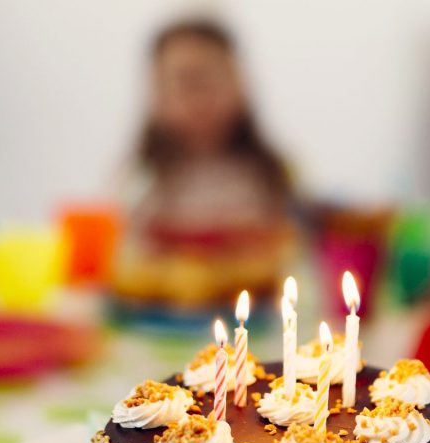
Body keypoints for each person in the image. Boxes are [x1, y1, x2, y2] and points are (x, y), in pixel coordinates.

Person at [110, 17, 296, 310]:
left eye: (209, 81)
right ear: (157, 93)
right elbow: (120, 261)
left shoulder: (273, 176)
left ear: (239, 84)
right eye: (184, 82)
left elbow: (295, 261)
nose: (198, 99)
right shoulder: (139, 178)